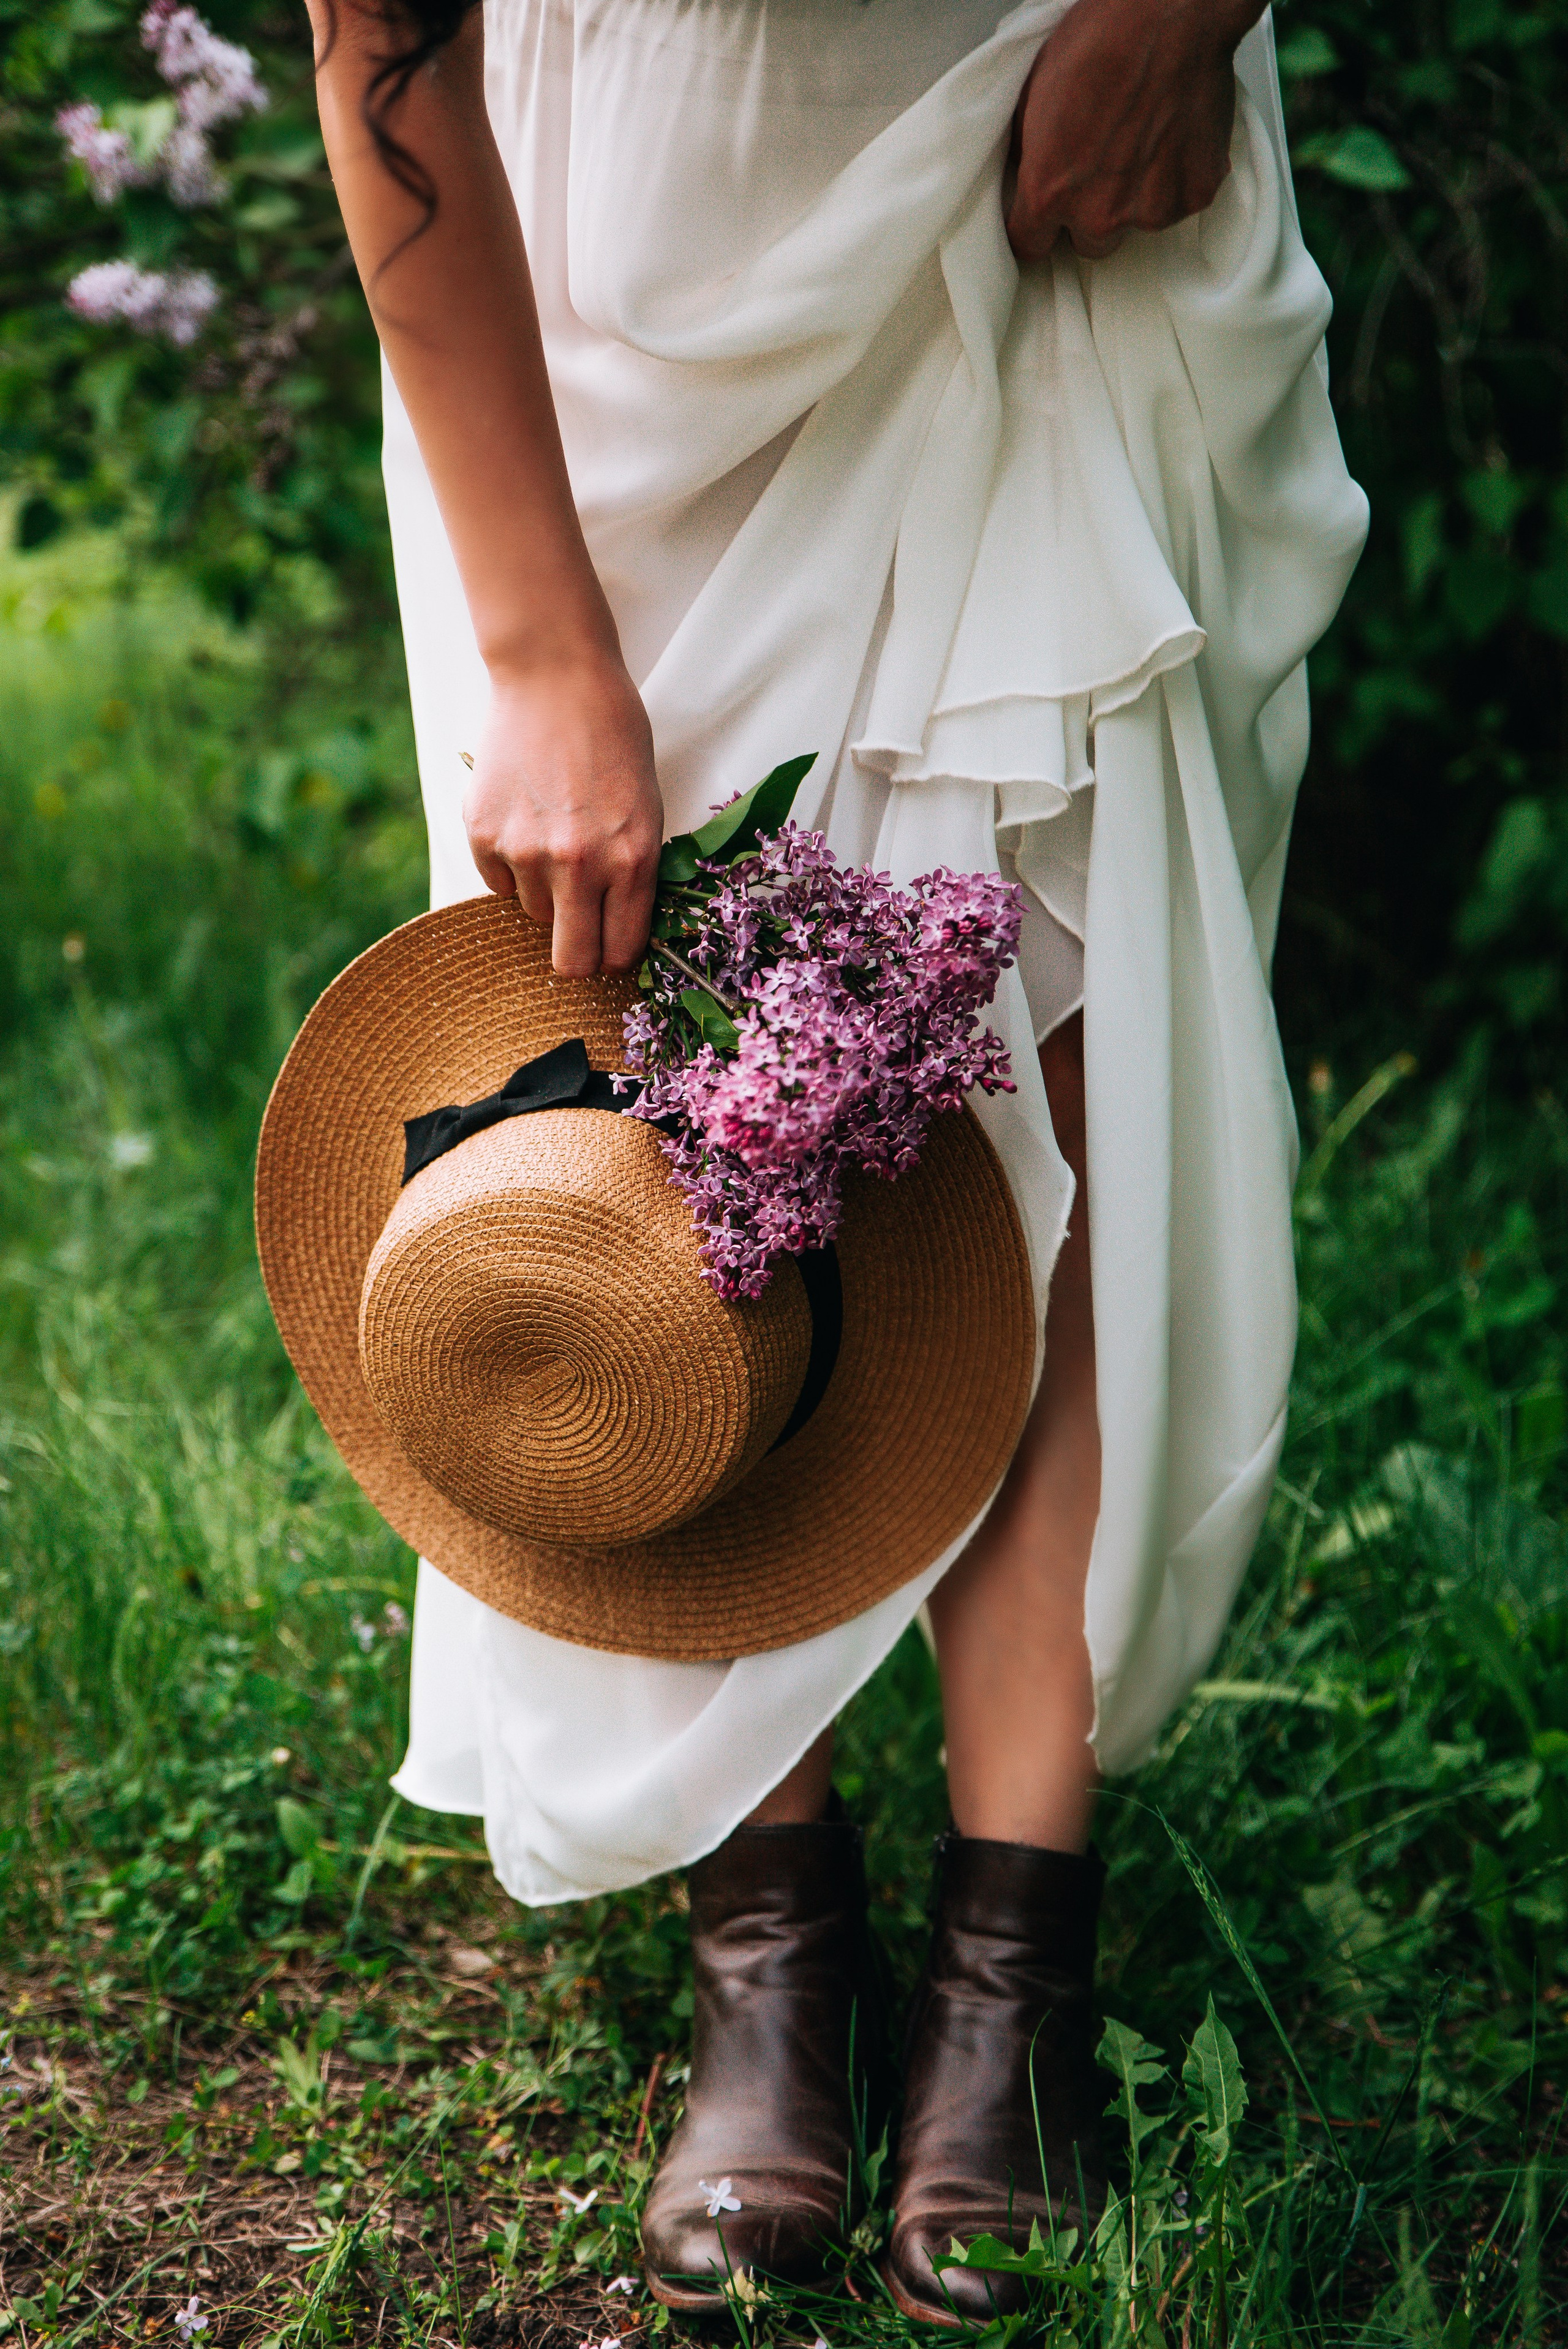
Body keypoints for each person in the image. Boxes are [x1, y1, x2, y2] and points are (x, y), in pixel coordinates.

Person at [300, 0, 1366, 2320]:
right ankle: (768, 1945)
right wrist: (540, 632)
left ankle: (1017, 1973)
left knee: (1054, 1067)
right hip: (604, 266)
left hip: (1052, 147)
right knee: (660, 1135)